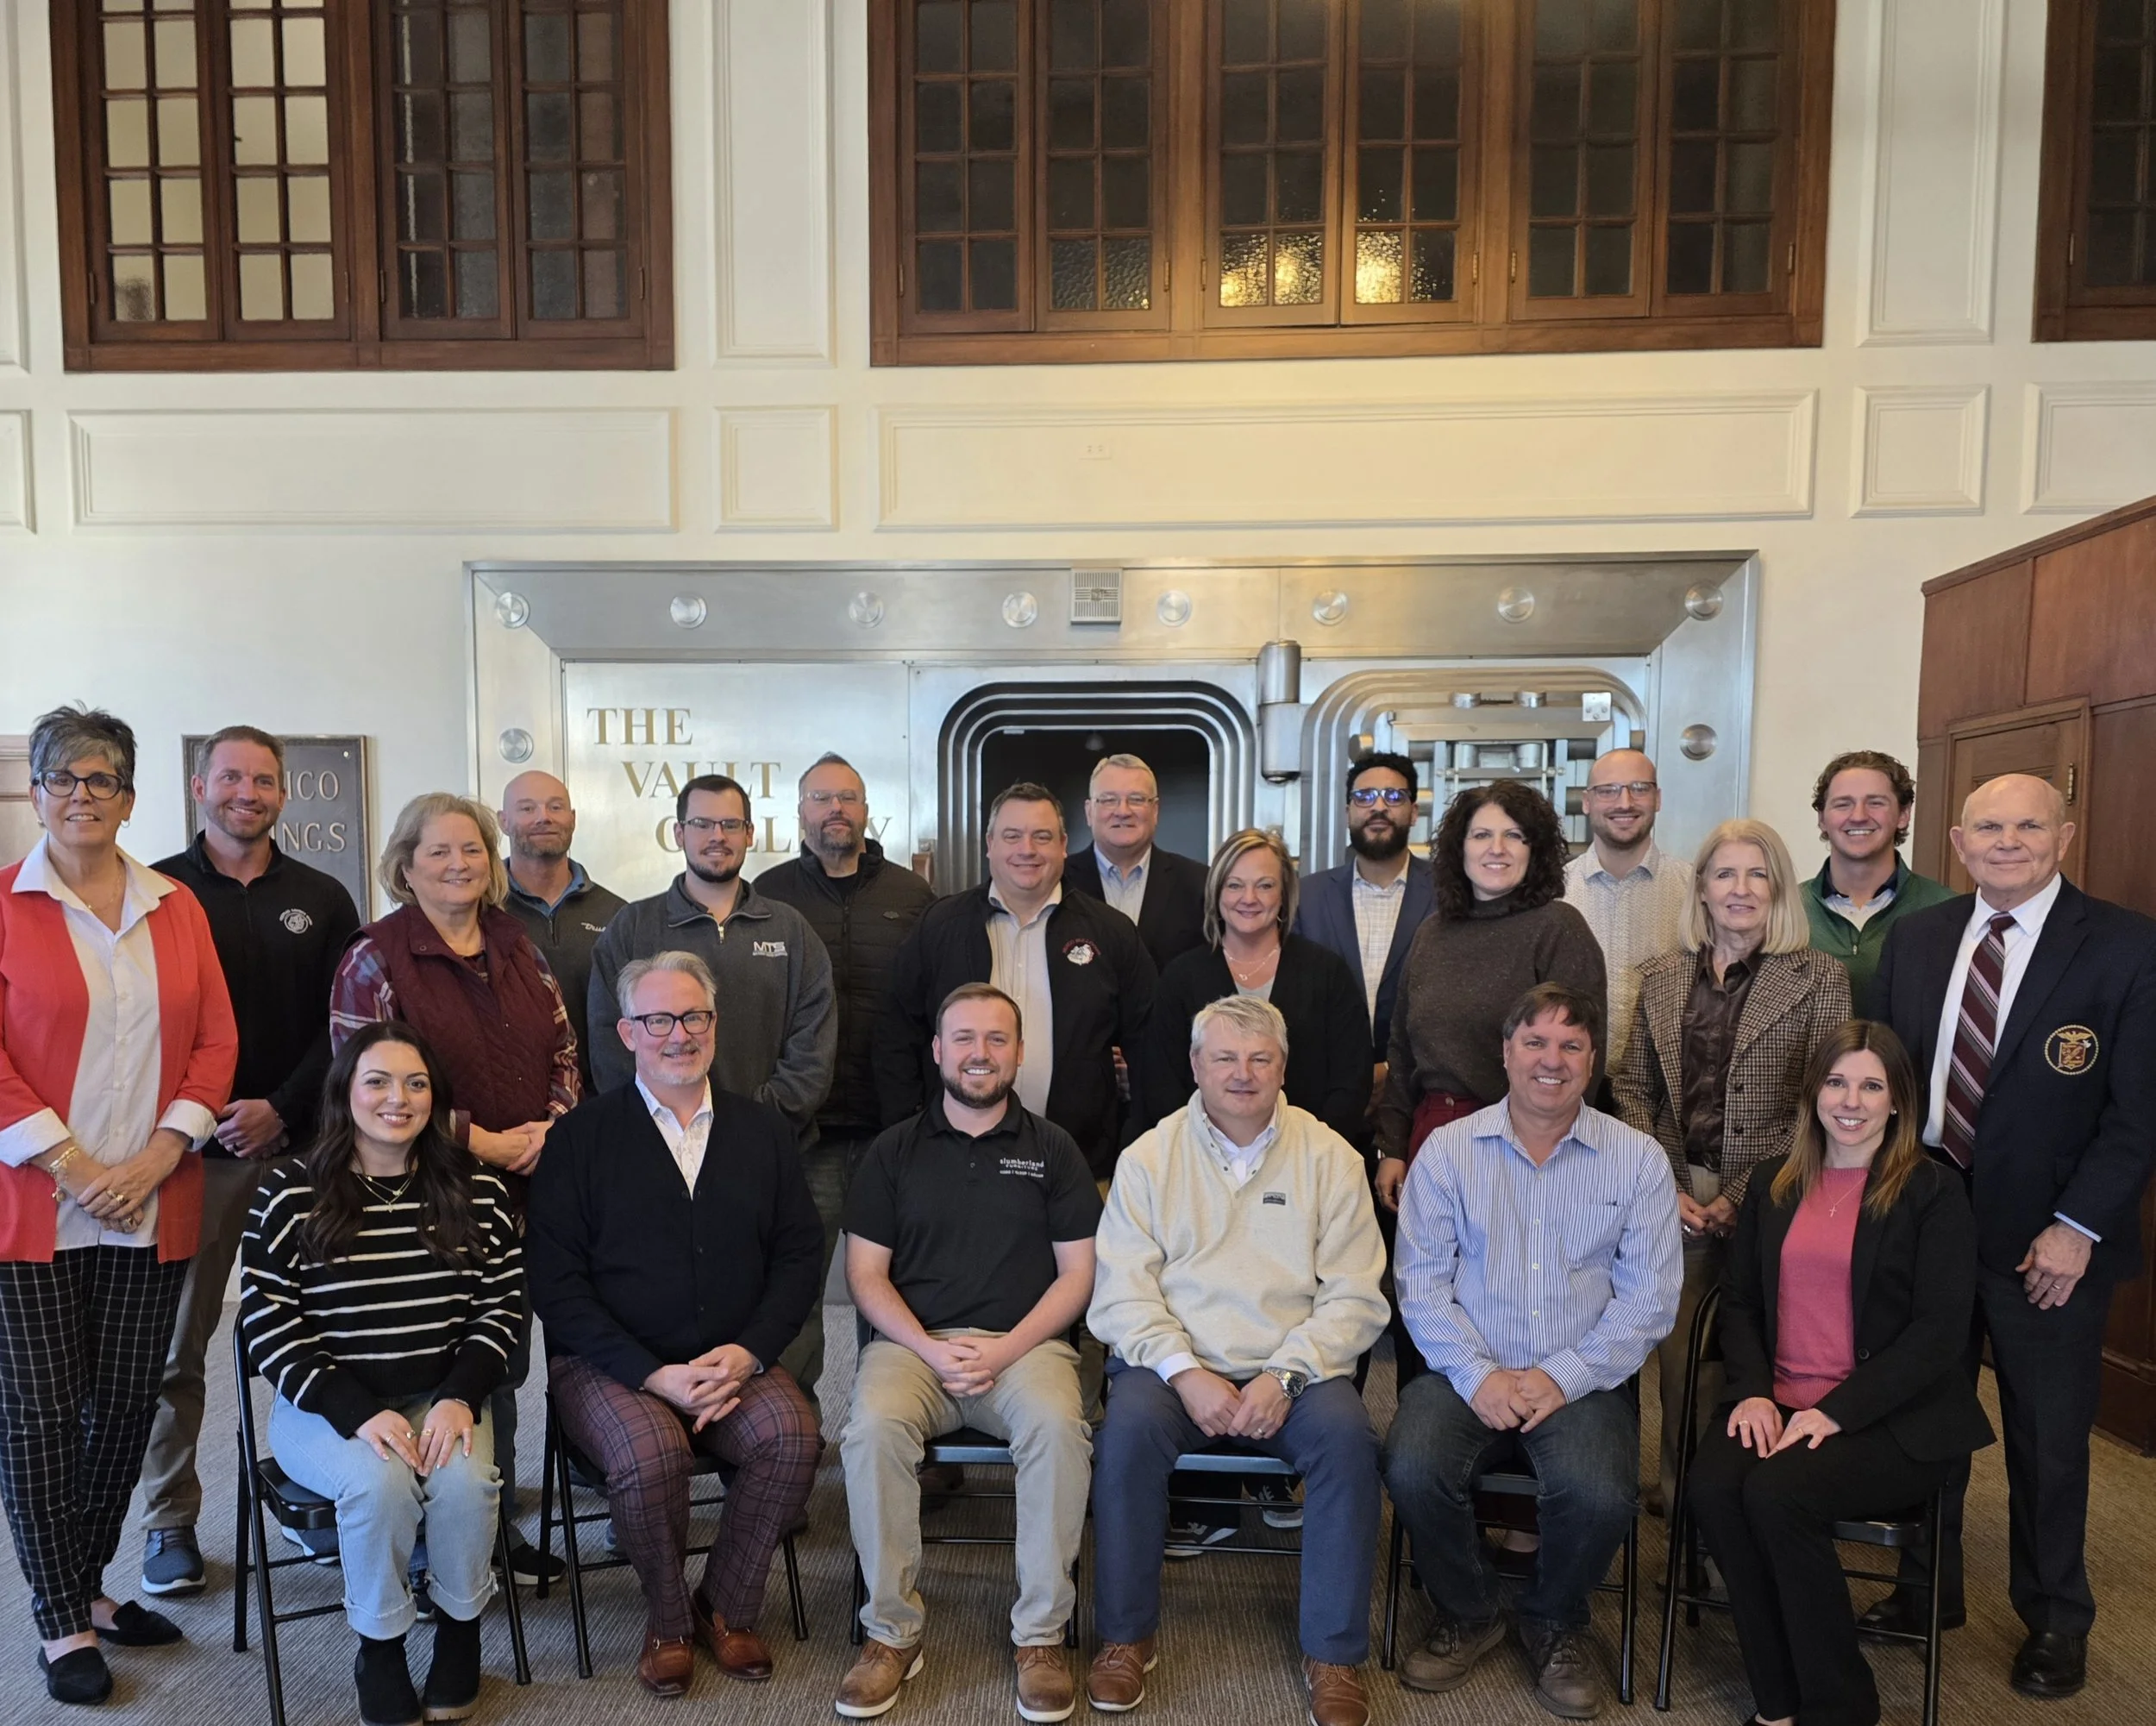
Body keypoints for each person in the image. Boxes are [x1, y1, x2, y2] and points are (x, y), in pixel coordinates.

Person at [1868, 772, 2156, 1698]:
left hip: (2050, 1242)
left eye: (2028, 825)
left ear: (2064, 837)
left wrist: (2077, 1227)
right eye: (1988, 827)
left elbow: (2138, 1114)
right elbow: (1887, 1081)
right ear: (1956, 843)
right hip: (1926, 1226)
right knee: (1923, 1418)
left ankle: (2055, 1617)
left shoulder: (2126, 946)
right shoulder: (1918, 938)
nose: (2007, 841)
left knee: (2047, 1437)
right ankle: (1927, 1587)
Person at [0, 704, 237, 1705]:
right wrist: (73, 1165)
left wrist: (159, 1154)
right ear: (37, 793)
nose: (82, 796)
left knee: (128, 1404)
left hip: (152, 1197)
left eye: (102, 779)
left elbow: (216, 1042)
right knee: (42, 1414)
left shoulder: (175, 906)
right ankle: (61, 1619)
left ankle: (86, 1584)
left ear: (130, 798)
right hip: (33, 1208)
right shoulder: (4, 906)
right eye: (63, 778)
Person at [526, 951, 823, 1697]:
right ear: (627, 1032)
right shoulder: (579, 1138)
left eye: (693, 1016)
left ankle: (725, 1606)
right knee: (652, 1453)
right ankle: (666, 1621)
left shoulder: (762, 1130)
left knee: (793, 1435)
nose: (679, 1034)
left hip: (730, 1361)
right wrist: (652, 1373)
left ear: (715, 1025)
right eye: (658, 1020)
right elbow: (556, 1285)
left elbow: (798, 1256)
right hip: (610, 1365)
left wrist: (750, 1352)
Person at [1086, 996, 1388, 1726]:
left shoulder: (1330, 1157)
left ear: (1283, 1066)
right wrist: (1185, 1372)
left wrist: (1285, 1374)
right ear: (1196, 1065)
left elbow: (1355, 1295)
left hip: (1296, 1370)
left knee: (1350, 1443)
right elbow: (1121, 1292)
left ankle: (1334, 1654)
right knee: (1123, 1437)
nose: (1242, 1073)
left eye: (1260, 1058)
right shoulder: (1149, 1157)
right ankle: (1125, 1637)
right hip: (1171, 1368)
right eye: (1225, 1057)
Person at [1382, 983, 1681, 1722]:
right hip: (1465, 1371)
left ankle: (1555, 1618)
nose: (1553, 1059)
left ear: (1592, 1059)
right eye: (1536, 1042)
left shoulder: (1638, 1160)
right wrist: (1478, 1374)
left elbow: (1649, 1300)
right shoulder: (1448, 1152)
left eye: (1571, 1045)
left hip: (1583, 1378)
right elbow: (1420, 1285)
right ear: (1507, 1052)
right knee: (1411, 1467)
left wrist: (1562, 1375)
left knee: (1602, 1492)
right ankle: (1471, 1610)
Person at [1688, 1021, 1992, 1726]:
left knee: (1778, 1493)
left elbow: (1939, 1333)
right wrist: (1752, 1393)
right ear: (1813, 1092)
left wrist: (1836, 1411)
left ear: (1897, 1100)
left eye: (1870, 1085)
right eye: (1836, 1081)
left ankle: (1841, 1705)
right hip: (1779, 1398)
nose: (1850, 1100)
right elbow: (1740, 1301)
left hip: (1889, 1417)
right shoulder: (1774, 1182)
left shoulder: (1933, 1191)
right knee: (1714, 1487)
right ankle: (1778, 1702)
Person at [239, 1024, 523, 1726]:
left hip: (442, 1397)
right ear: (344, 1092)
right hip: (326, 1407)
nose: (398, 1098)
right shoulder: (289, 1192)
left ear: (435, 1097)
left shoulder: (479, 1190)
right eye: (378, 1081)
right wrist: (355, 1410)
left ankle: (459, 1634)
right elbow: (267, 1324)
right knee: (379, 1483)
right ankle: (381, 1648)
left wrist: (460, 1397)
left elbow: (501, 1307)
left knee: (465, 1483)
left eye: (416, 1083)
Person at [331, 792, 579, 1585]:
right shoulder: (374, 957)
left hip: (530, 1187)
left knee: (499, 1352)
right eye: (437, 851)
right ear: (405, 866)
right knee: (442, 1353)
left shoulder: (518, 944)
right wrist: (483, 1141)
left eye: (471, 848)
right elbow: (367, 1086)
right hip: (424, 1193)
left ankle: (488, 1524)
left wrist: (551, 1127)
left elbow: (565, 1047)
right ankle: (429, 1535)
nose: (458, 864)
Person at [836, 984, 1100, 1723]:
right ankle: (890, 1633)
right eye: (963, 1037)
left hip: (1026, 1348)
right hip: (913, 1347)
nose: (979, 1053)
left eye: (995, 1038)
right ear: (937, 1050)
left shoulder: (1054, 1149)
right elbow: (866, 1275)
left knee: (1059, 1429)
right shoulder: (893, 1150)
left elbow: (1079, 1274)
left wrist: (1006, 1348)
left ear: (1018, 1052)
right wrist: (929, 1346)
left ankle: (1040, 1636)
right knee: (870, 1429)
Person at [1612, 819, 1851, 1516]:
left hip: (1781, 1189)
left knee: (1760, 1356)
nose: (1740, 888)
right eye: (1725, 873)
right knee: (1681, 1362)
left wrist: (1744, 1191)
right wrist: (1664, 1183)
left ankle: (1752, 1507)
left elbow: (1823, 1099)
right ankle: (1683, 1503)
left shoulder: (1820, 977)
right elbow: (1633, 1089)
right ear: (1703, 889)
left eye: (1757, 873)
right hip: (1676, 1189)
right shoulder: (1661, 977)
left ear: (1778, 887)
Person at [755, 753, 936, 1402]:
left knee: (900, 1284)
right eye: (822, 797)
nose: (836, 809)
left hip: (898, 1128)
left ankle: (891, 1419)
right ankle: (792, 1426)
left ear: (865, 810)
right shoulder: (768, 895)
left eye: (848, 798)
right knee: (796, 1283)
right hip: (806, 1132)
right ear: (800, 812)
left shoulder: (912, 898)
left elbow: (934, 1006)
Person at [877, 782, 1156, 1184]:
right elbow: (895, 1035)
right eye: (1012, 836)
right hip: (952, 1167)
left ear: (1063, 845)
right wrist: (909, 1131)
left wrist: (1136, 1145)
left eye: (1042, 837)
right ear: (990, 844)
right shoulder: (939, 926)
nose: (1027, 849)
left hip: (1080, 1169)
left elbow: (1150, 1047)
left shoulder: (1111, 932)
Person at [1376, 779, 1608, 1207]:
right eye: (1481, 835)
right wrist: (1392, 1145)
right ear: (1459, 848)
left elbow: (1580, 1059)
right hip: (1431, 1137)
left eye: (1513, 836)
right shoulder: (1431, 933)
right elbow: (1402, 1050)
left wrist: (1560, 1152)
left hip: (1526, 1144)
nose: (1496, 849)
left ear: (1534, 850)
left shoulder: (1559, 928)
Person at [586, 774, 836, 1123]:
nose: (717, 836)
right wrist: (668, 1121)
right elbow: (609, 1043)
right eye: (702, 824)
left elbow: (813, 1052)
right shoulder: (633, 927)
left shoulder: (790, 930)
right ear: (679, 833)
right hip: (658, 1139)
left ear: (749, 834)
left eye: (730, 825)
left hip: (769, 1137)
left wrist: (754, 1122)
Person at [1135, 827, 1369, 1144]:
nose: (1249, 899)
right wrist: (1207, 1152)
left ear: (1284, 894)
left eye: (1265, 885)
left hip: (1308, 1156)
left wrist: (1310, 1150)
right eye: (1235, 885)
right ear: (1217, 892)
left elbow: (1351, 1080)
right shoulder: (1180, 977)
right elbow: (1161, 1084)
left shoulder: (1328, 972)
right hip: (1201, 1157)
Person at [1293, 751, 1436, 1128]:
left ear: (1414, 812)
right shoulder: (1306, 896)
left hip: (1422, 1099)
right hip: (1324, 1103)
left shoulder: (1450, 894)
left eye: (1394, 797)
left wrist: (1392, 1068)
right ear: (1348, 813)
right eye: (1365, 796)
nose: (1378, 807)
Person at [1560, 749, 1692, 1077]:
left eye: (1639, 788)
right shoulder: (1556, 893)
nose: (1624, 802)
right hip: (1574, 1084)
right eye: (1608, 790)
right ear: (1586, 802)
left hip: (1665, 1087)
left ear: (1658, 799)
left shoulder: (1695, 890)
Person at [498, 769, 626, 1097]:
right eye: (527, 808)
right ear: (503, 821)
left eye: (555, 807)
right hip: (509, 1106)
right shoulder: (480, 910)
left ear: (573, 819)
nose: (544, 817)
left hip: (599, 1105)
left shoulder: (617, 915)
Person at [1799, 751, 1953, 1018]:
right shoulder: (1784, 909)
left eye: (1875, 803)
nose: (1858, 816)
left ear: (1903, 814)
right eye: (1843, 804)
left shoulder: (1948, 910)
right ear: (1822, 819)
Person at [1061, 753, 1208, 971]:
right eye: (1109, 800)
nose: (1123, 811)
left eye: (1137, 799)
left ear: (1155, 810)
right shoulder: (1057, 881)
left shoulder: (1200, 884)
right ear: (1089, 812)